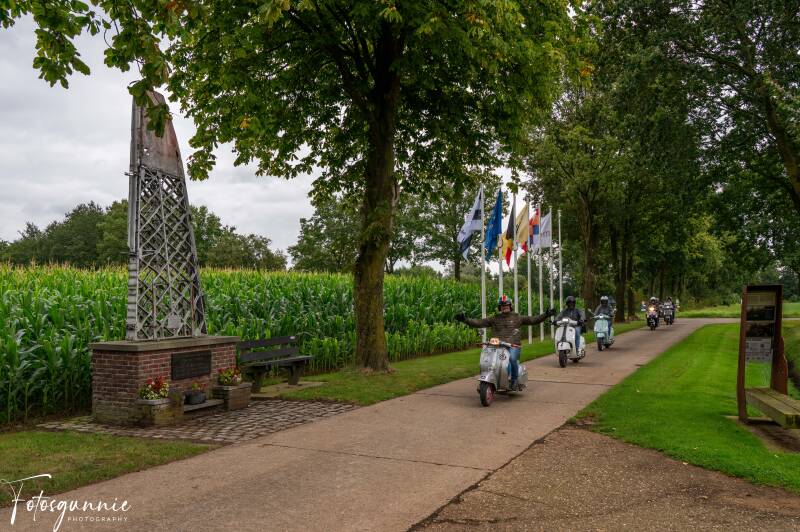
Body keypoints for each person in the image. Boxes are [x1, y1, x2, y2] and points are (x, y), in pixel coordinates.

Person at [456, 295, 554, 389]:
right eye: (502, 306)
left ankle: (514, 380)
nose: (504, 307)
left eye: (506, 305)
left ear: (510, 306)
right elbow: (479, 322)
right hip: (496, 346)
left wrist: (545, 315)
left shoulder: (517, 317)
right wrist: (465, 320)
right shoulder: (494, 318)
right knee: (486, 361)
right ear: (500, 307)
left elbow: (533, 320)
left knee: (511, 359)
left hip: (513, 345)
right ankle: (489, 380)